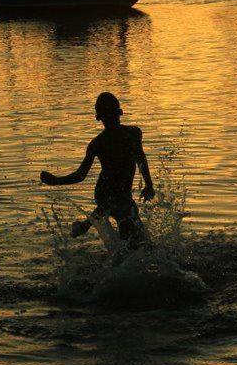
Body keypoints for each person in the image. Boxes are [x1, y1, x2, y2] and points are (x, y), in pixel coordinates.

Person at [40, 92, 154, 248]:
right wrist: (56, 181)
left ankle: (85, 226)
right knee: (134, 236)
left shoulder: (130, 134)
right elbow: (81, 175)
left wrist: (149, 185)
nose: (109, 120)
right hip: (106, 192)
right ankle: (87, 225)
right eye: (107, 116)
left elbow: (141, 159)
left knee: (136, 237)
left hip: (120, 194)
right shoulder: (102, 142)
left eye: (110, 115)